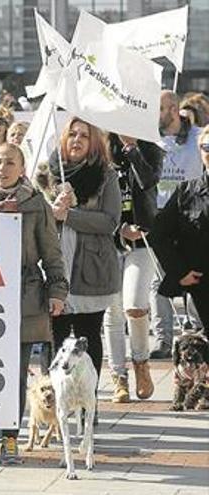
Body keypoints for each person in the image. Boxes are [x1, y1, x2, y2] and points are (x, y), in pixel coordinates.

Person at [0, 143, 68, 465]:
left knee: (14, 372)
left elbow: (52, 252)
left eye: (9, 162)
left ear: (22, 168)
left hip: (25, 297)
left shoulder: (35, 204)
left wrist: (57, 291)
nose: (2, 168)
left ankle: (10, 435)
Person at [47, 117, 121, 420]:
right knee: (56, 338)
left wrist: (71, 215)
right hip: (56, 268)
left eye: (85, 136)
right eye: (72, 134)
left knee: (89, 335)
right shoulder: (47, 173)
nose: (77, 140)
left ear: (95, 143)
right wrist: (53, 210)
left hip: (91, 268)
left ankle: (89, 407)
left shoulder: (106, 176)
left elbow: (110, 221)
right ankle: (58, 405)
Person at [102, 133, 164, 403]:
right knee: (113, 310)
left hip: (143, 239)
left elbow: (147, 181)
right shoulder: (102, 152)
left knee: (135, 305)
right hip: (109, 241)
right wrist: (119, 230)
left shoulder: (151, 151)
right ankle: (118, 376)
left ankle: (141, 362)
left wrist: (132, 148)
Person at [150, 90, 205, 359]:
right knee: (158, 283)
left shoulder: (196, 136)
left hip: (192, 223)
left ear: (173, 109)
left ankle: (196, 332)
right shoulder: (150, 139)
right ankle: (162, 339)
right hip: (161, 219)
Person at [151, 126, 209, 324]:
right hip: (202, 287)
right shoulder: (186, 191)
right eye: (206, 147)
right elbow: (159, 234)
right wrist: (179, 272)